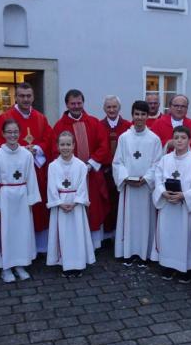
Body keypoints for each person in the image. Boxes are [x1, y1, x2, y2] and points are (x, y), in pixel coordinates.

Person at [0, 82, 54, 253]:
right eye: (22, 96)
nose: (26, 99)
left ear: (33, 97)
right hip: (14, 174)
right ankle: (19, 249)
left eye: (28, 96)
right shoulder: (4, 118)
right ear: (15, 97)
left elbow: (49, 139)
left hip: (37, 170)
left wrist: (37, 149)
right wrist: (20, 150)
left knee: (38, 209)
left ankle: (39, 247)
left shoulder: (41, 118)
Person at [0, 119, 41, 283]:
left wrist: (31, 200)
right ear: (3, 134)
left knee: (22, 232)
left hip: (22, 197)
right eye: (9, 132)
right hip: (5, 198)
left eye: (15, 132)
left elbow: (31, 178)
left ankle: (20, 264)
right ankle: (6, 267)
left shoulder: (26, 155)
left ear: (20, 133)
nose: (12, 135)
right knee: (6, 232)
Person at [52, 89, 111, 248]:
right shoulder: (59, 126)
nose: (76, 106)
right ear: (67, 105)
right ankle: (74, 243)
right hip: (69, 178)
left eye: (79, 103)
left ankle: (94, 243)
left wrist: (91, 164)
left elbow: (103, 145)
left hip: (91, 174)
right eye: (73, 103)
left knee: (94, 209)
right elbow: (54, 150)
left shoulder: (94, 122)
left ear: (83, 103)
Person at [151, 126, 191, 283]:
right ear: (172, 140)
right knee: (168, 236)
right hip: (168, 206)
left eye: (183, 138)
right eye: (176, 138)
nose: (179, 141)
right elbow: (158, 179)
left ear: (189, 140)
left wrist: (184, 195)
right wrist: (163, 192)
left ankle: (185, 269)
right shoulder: (165, 159)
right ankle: (168, 266)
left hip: (185, 208)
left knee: (185, 237)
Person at [112, 100, 163, 268]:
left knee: (145, 221)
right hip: (129, 187)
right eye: (136, 114)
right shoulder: (124, 138)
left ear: (148, 116)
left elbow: (158, 163)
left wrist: (146, 178)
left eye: (143, 114)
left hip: (145, 188)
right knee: (129, 221)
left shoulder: (154, 139)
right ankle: (127, 252)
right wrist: (125, 177)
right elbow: (117, 162)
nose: (139, 117)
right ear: (132, 115)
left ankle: (144, 253)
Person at [45, 131, 96, 277]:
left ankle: (78, 264)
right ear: (57, 146)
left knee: (77, 234)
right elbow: (51, 187)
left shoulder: (80, 165)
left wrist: (76, 202)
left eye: (68, 144)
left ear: (74, 145)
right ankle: (65, 264)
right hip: (60, 205)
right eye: (62, 144)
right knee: (63, 235)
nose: (65, 147)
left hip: (76, 205)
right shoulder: (53, 166)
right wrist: (59, 202)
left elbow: (82, 186)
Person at [99, 95, 132, 240]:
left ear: (119, 108)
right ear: (104, 108)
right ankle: (107, 236)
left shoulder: (128, 126)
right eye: (108, 107)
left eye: (114, 107)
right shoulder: (98, 125)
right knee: (106, 203)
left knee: (121, 203)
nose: (111, 110)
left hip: (123, 172)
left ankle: (122, 235)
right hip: (105, 171)